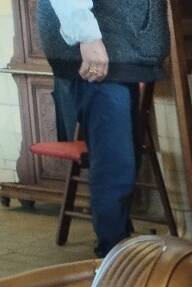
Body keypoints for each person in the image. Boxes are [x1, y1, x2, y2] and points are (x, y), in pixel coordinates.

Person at [37, 0, 170, 256]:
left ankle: (119, 247)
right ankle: (113, 256)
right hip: (97, 49)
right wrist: (87, 36)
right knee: (115, 163)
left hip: (120, 48)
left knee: (124, 159)